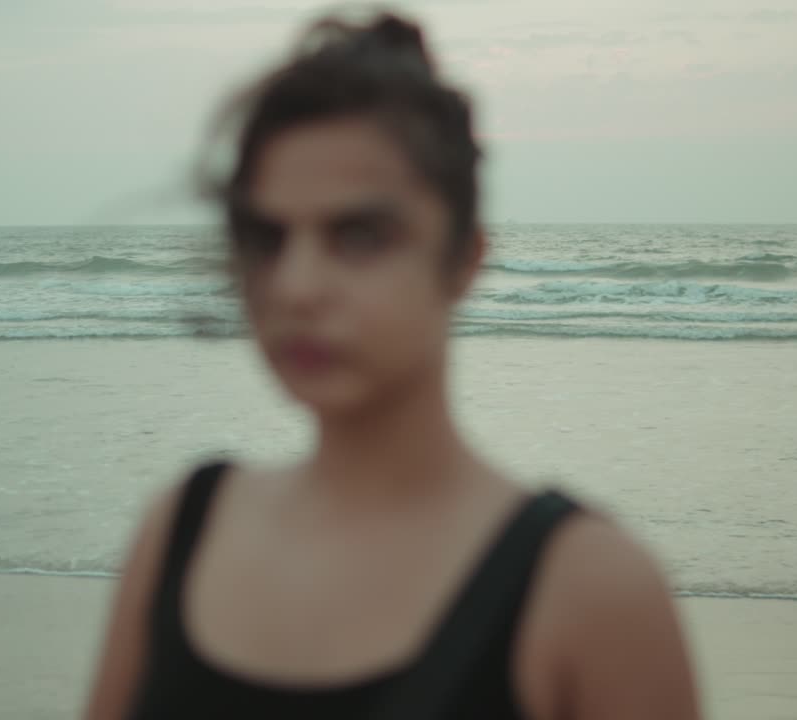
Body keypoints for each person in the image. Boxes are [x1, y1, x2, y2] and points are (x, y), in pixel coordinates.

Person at [84, 9, 699, 719]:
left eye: (360, 235)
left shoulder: (588, 591)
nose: (296, 285)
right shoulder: (182, 535)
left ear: (465, 258)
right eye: (268, 237)